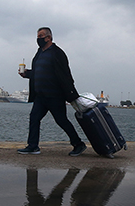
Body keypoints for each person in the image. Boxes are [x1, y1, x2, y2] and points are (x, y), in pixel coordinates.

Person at [17, 27, 87, 156]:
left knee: (61, 120)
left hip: (55, 95)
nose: (39, 39)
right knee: (34, 118)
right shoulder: (39, 53)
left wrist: (70, 93)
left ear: (49, 37)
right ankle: (33, 146)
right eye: (38, 36)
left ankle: (79, 144)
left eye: (41, 36)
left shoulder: (57, 53)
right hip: (40, 96)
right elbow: (38, 72)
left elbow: (65, 74)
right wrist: (27, 74)